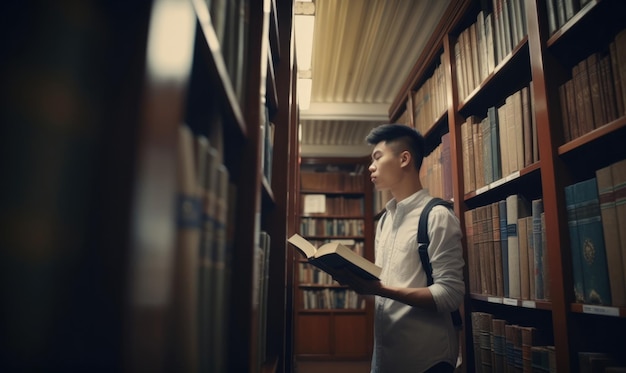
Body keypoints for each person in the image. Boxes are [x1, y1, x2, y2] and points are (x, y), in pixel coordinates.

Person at [333, 123, 465, 373]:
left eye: (377, 157)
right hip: (386, 359)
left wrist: (379, 290)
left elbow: (450, 295)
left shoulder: (436, 216)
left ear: (404, 158)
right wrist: (359, 282)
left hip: (426, 361)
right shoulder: (385, 220)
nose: (371, 166)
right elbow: (388, 287)